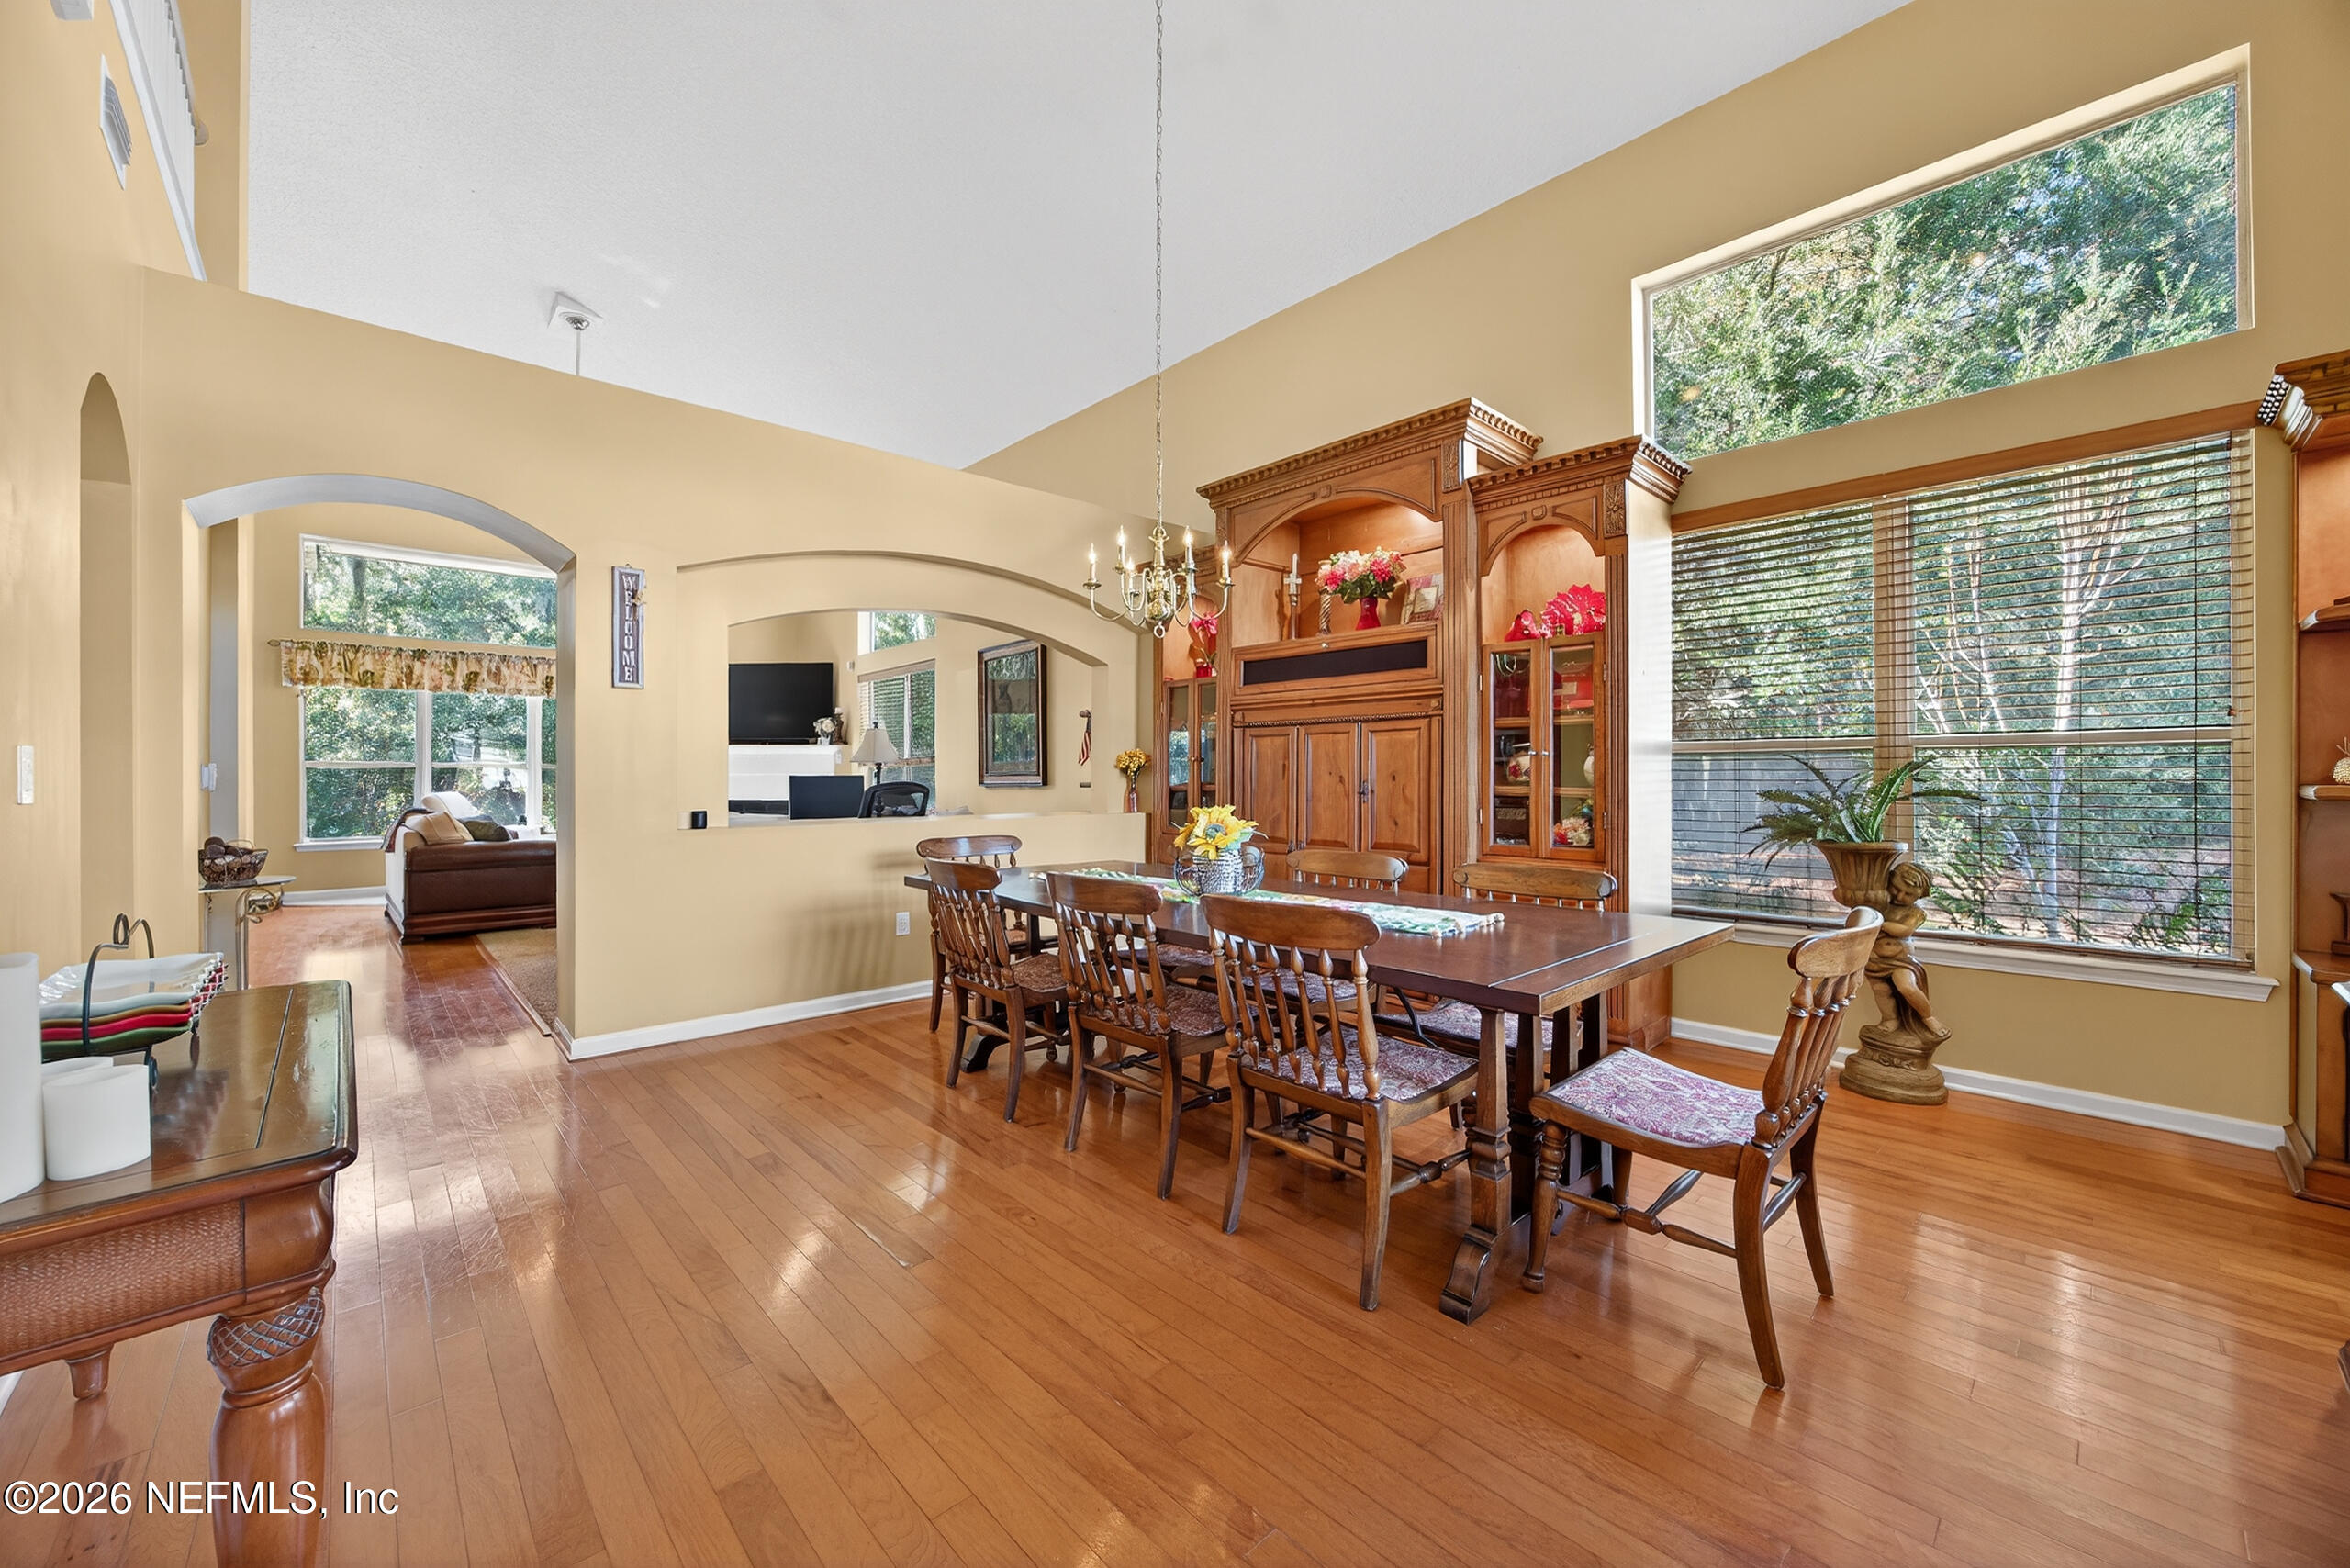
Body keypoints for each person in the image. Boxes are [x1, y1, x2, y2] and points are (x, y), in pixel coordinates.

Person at [1866, 859, 1949, 1044]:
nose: (1900, 896)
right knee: (1880, 990)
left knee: (1906, 987)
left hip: (1900, 960)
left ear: (1919, 896)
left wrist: (1883, 925)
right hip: (1874, 960)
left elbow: (1905, 931)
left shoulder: (1915, 913)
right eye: (1895, 888)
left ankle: (1928, 1017)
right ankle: (1890, 1019)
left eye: (1908, 894)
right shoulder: (1881, 906)